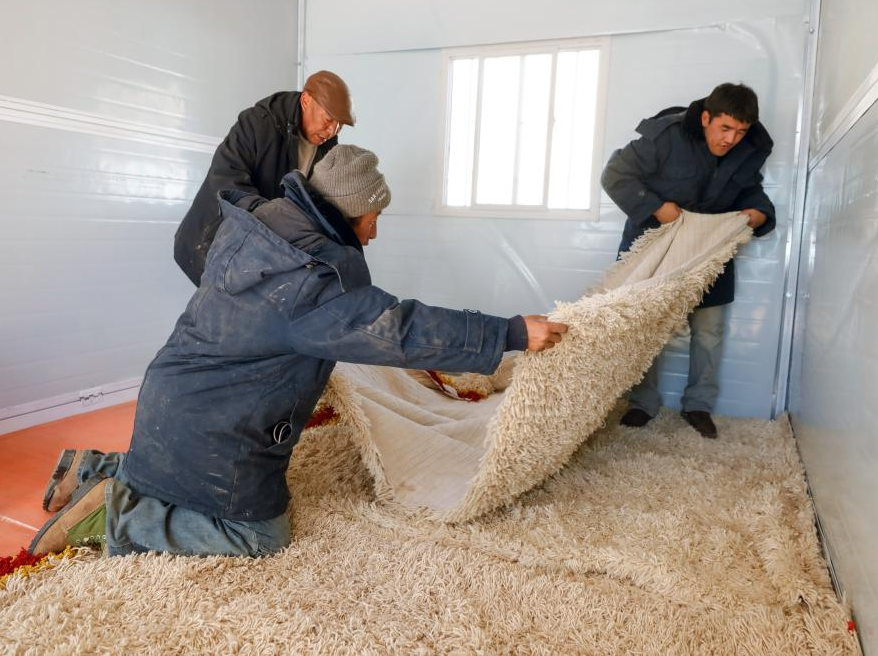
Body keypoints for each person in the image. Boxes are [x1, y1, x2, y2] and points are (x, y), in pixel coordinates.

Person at [30, 145, 568, 557]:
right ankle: (115, 520)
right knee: (258, 534)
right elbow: (395, 330)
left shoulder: (258, 235)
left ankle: (92, 467)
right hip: (216, 428)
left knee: (171, 471)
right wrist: (510, 332)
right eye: (374, 217)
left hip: (169, 402)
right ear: (350, 212)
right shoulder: (311, 281)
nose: (376, 232)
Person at [601, 83, 776, 438]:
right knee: (644, 326)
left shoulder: (751, 147)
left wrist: (760, 213)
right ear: (707, 118)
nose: (731, 139)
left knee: (709, 331)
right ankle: (641, 403)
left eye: (740, 132)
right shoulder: (667, 136)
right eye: (724, 128)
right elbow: (615, 174)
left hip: (709, 248)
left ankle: (698, 405)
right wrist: (656, 207)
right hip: (656, 242)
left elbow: (750, 188)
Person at [174, 70, 355, 286]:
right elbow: (226, 182)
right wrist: (280, 226)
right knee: (221, 312)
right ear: (306, 100)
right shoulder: (258, 123)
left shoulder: (327, 144)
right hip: (212, 241)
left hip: (263, 253)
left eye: (339, 125)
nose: (332, 130)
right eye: (328, 119)